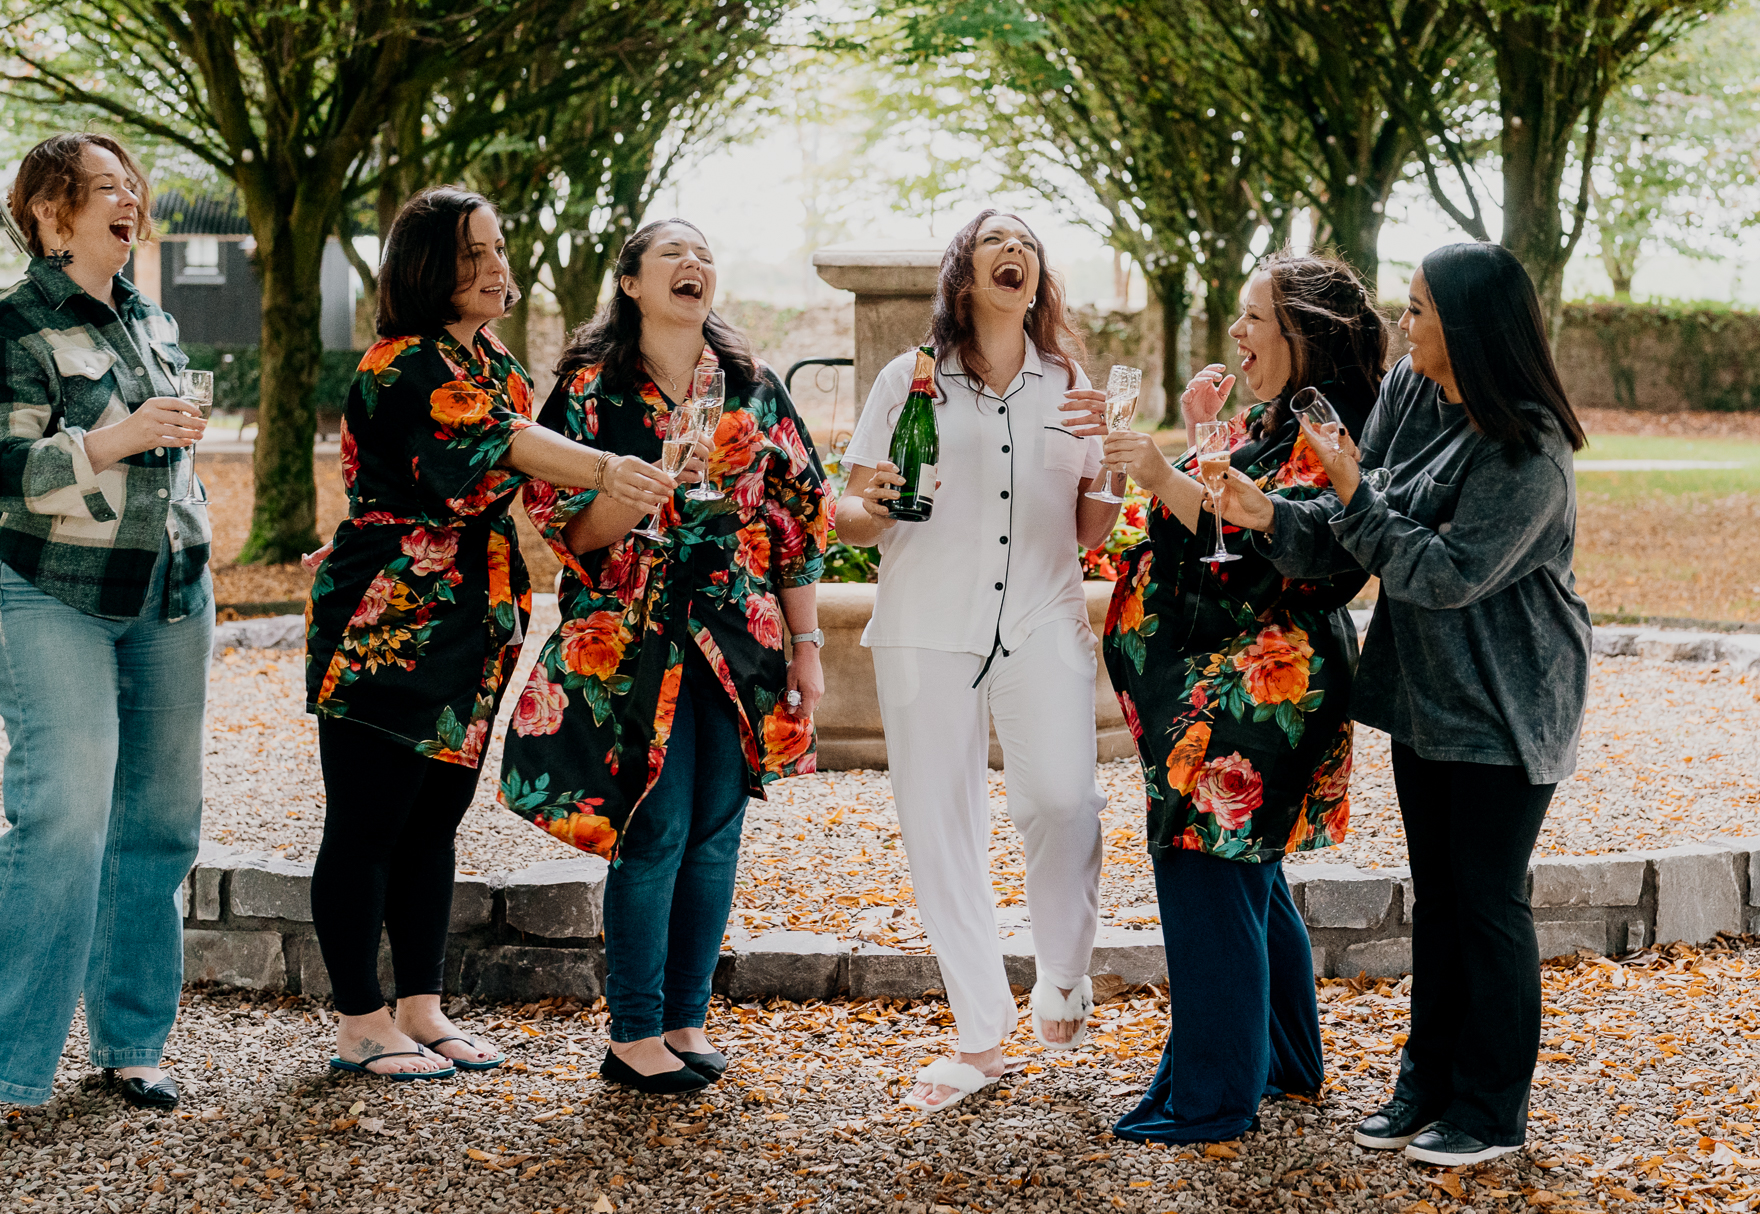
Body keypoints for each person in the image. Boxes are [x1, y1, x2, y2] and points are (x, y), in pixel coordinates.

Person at [1216, 241, 1590, 1167]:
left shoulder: (1530, 451)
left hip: (1508, 700)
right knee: (1439, 900)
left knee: (1487, 899)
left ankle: (1491, 1107)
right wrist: (1269, 516)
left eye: (1419, 309)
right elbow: (1356, 531)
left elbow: (1440, 572)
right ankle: (1426, 1081)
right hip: (1428, 692)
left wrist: (1349, 489)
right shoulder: (1413, 394)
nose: (1404, 323)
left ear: (1464, 327)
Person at [304, 187, 683, 1079]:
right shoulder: (401, 365)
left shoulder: (498, 364)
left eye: (497, 248)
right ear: (427, 267)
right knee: (367, 823)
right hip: (386, 619)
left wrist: (630, 488)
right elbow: (508, 442)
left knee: (434, 821)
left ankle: (423, 1009)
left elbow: (539, 463)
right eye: (471, 253)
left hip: (475, 618)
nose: (494, 267)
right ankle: (360, 1022)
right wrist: (612, 469)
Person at [500, 218, 831, 1095]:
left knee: (719, 832)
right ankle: (634, 1031)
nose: (696, 265)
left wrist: (808, 648)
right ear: (633, 283)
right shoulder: (589, 389)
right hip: (631, 641)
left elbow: (799, 523)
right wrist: (630, 486)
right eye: (673, 255)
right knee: (655, 829)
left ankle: (687, 1019)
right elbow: (564, 531)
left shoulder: (753, 386)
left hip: (739, 637)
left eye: (707, 255)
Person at [0, 133, 211, 1133]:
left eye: (131, 186)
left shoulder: (152, 316)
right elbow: (6, 471)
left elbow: (168, 462)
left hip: (170, 591)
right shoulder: (8, 326)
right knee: (67, 814)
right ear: (50, 214)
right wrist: (116, 437)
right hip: (48, 590)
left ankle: (130, 1043)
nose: (128, 201)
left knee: (162, 820)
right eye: (103, 190)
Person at [835, 210, 1120, 1112]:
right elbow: (849, 513)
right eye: (997, 241)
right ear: (965, 275)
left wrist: (1109, 465)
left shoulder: (1071, 383)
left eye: (1028, 246)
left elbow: (1088, 528)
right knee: (939, 826)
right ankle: (978, 1030)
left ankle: (1065, 971)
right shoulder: (906, 379)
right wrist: (870, 505)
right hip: (925, 621)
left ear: (1038, 280)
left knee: (1066, 799)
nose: (1015, 253)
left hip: (1042, 616)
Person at [1098, 252, 1386, 1144]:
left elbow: (1269, 550)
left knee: (1204, 867)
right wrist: (1201, 432)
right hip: (1244, 680)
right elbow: (1218, 504)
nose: (1238, 332)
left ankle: (1212, 1097)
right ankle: (1285, 1062)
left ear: (1304, 332)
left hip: (1257, 686)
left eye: (1255, 316)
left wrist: (1156, 470)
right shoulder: (1275, 418)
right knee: (1251, 874)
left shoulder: (1327, 432)